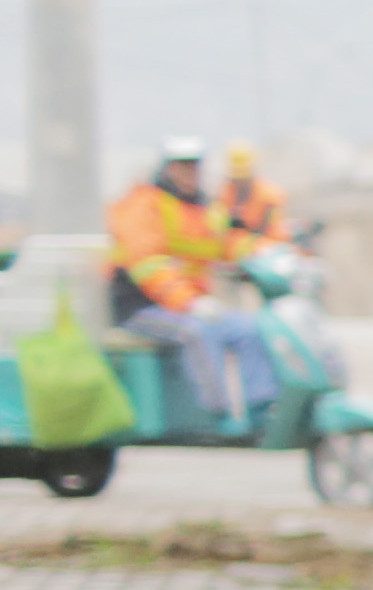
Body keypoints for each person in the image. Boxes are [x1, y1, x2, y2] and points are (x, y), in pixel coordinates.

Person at [103, 143, 274, 427]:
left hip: (189, 305)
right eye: (182, 166)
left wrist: (269, 253)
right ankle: (216, 415)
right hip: (141, 308)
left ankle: (262, 409)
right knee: (198, 332)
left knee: (248, 328)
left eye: (194, 166)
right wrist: (189, 302)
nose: (189, 173)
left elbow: (228, 243)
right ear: (167, 168)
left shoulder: (202, 208)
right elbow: (148, 266)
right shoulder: (145, 204)